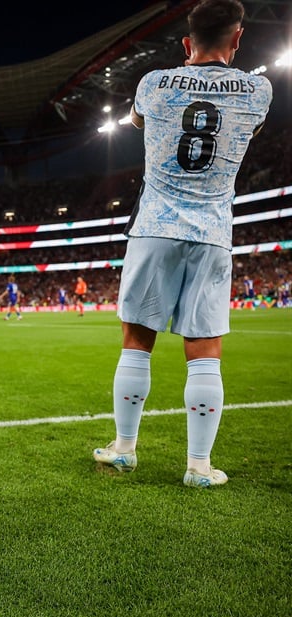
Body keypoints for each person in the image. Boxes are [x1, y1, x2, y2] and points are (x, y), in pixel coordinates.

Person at [93, 0, 271, 488]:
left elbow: (137, 124)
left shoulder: (154, 82)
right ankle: (198, 466)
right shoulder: (259, 89)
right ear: (237, 39)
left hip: (154, 226)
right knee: (205, 349)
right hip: (213, 232)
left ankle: (125, 449)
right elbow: (249, 130)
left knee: (137, 342)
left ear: (187, 44)